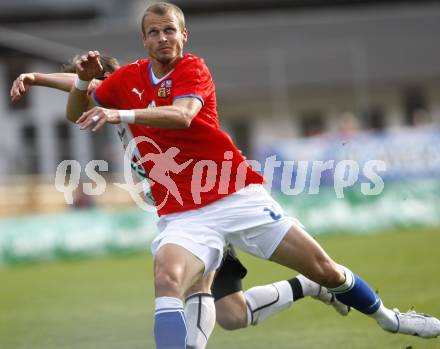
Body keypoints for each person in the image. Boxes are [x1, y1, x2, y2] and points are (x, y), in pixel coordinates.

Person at [66, 2, 440, 348]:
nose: (163, 38)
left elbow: (182, 115)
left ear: (184, 35)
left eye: (169, 30)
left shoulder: (191, 69)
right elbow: (75, 101)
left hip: (234, 196)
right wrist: (56, 79)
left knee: (324, 270)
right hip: (183, 213)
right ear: (143, 40)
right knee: (170, 282)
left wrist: (120, 114)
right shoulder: (128, 79)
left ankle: (389, 318)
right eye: (154, 32)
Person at [10, 57, 350, 349]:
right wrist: (36, 79)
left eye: (83, 95)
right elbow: (77, 83)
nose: (81, 106)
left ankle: (317, 280)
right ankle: (309, 283)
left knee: (193, 287)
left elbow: (83, 84)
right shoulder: (118, 117)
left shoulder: (127, 102)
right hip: (187, 209)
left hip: (211, 203)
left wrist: (55, 80)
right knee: (233, 315)